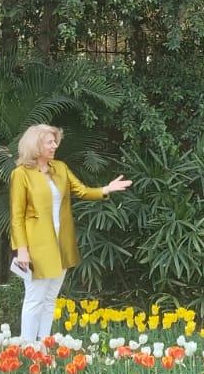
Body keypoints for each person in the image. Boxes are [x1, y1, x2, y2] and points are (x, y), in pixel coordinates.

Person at [9, 124, 131, 343]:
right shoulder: (21, 174)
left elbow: (82, 191)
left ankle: (44, 345)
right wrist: (22, 250)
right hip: (37, 246)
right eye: (50, 142)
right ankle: (27, 348)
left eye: (55, 141)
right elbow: (17, 216)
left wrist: (106, 189)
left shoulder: (60, 168)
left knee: (50, 299)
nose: (54, 146)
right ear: (36, 145)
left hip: (61, 243)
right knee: (35, 299)